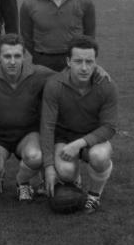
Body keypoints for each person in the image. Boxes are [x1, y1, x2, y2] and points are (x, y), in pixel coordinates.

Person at [0, 34, 57, 201]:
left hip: (27, 134)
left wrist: (96, 69)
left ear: (24, 56)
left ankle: (22, 181)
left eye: (17, 56)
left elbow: (66, 77)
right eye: (7, 56)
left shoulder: (38, 73)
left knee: (36, 156)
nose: (12, 61)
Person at [41, 36, 117, 214]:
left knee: (99, 156)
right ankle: (74, 181)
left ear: (96, 62)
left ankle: (94, 196)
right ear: (68, 61)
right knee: (65, 171)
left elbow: (109, 127)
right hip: (64, 137)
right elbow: (47, 127)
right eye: (78, 61)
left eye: (89, 61)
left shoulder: (107, 86)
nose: (84, 67)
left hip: (92, 138)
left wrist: (79, 144)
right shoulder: (54, 85)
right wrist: (49, 168)